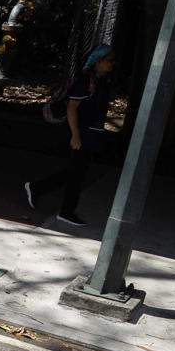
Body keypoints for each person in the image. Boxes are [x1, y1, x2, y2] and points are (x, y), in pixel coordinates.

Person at [24, 43, 115, 227]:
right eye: (109, 61)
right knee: (77, 172)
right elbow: (72, 107)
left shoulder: (101, 81)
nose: (112, 64)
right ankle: (63, 208)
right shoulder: (86, 81)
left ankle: (39, 189)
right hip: (82, 132)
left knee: (77, 171)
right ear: (98, 61)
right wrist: (75, 135)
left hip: (91, 133)